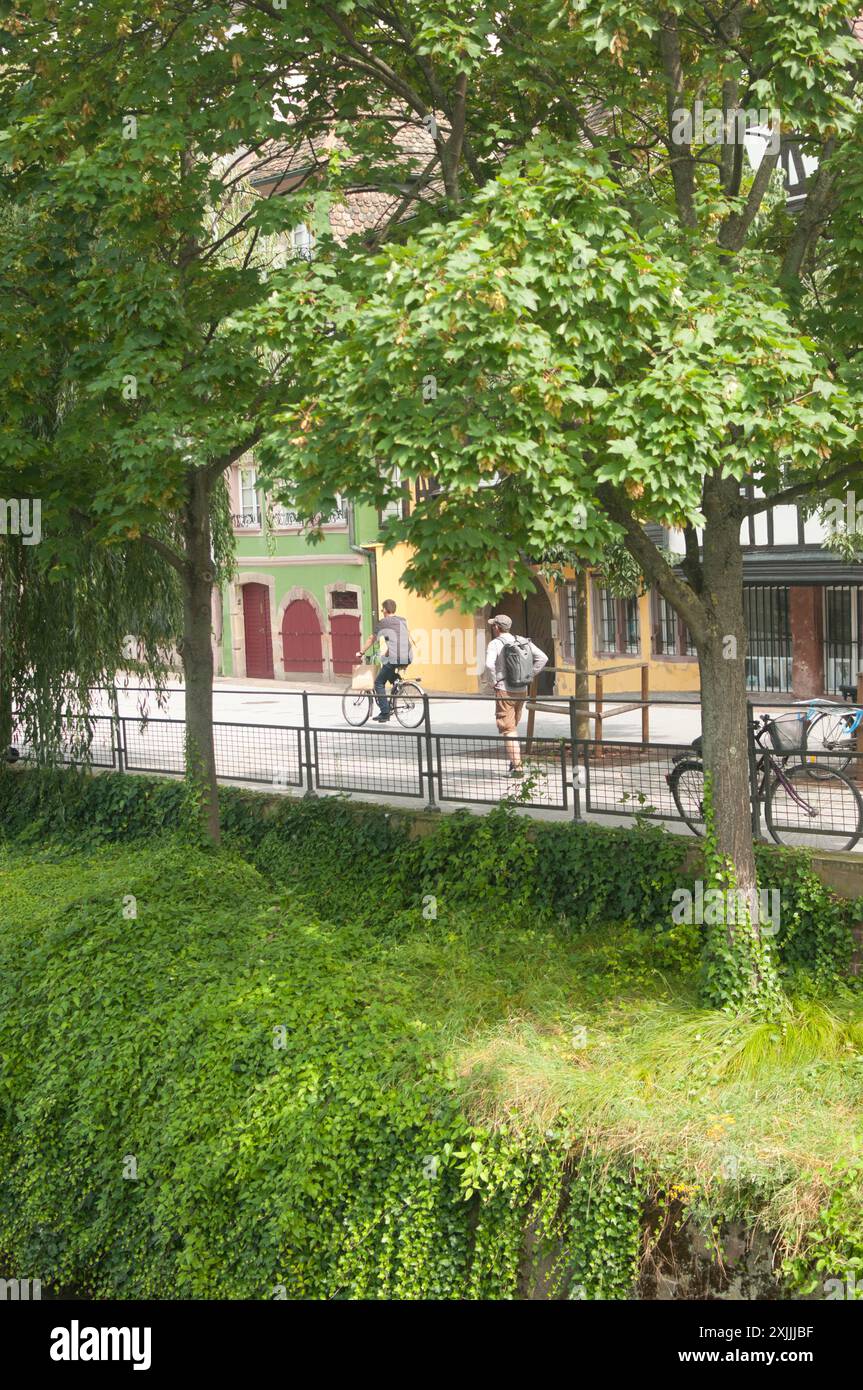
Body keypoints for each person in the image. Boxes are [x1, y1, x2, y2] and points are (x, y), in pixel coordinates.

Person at [484, 614, 548, 775]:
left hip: (505, 689)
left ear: (497, 628)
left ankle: (518, 768)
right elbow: (543, 658)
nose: (493, 628)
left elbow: (489, 664)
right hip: (522, 689)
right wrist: (530, 675)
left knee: (508, 729)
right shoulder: (522, 641)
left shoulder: (495, 644)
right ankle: (514, 761)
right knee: (513, 726)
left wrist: (493, 682)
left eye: (493, 626)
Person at [357, 599, 414, 723]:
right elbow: (398, 640)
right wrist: (386, 654)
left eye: (382, 609)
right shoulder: (402, 620)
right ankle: (397, 682)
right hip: (408, 656)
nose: (381, 611)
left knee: (378, 682)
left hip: (397, 657)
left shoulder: (383, 622)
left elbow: (372, 638)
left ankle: (385, 712)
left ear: (386, 610)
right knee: (387, 668)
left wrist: (361, 652)